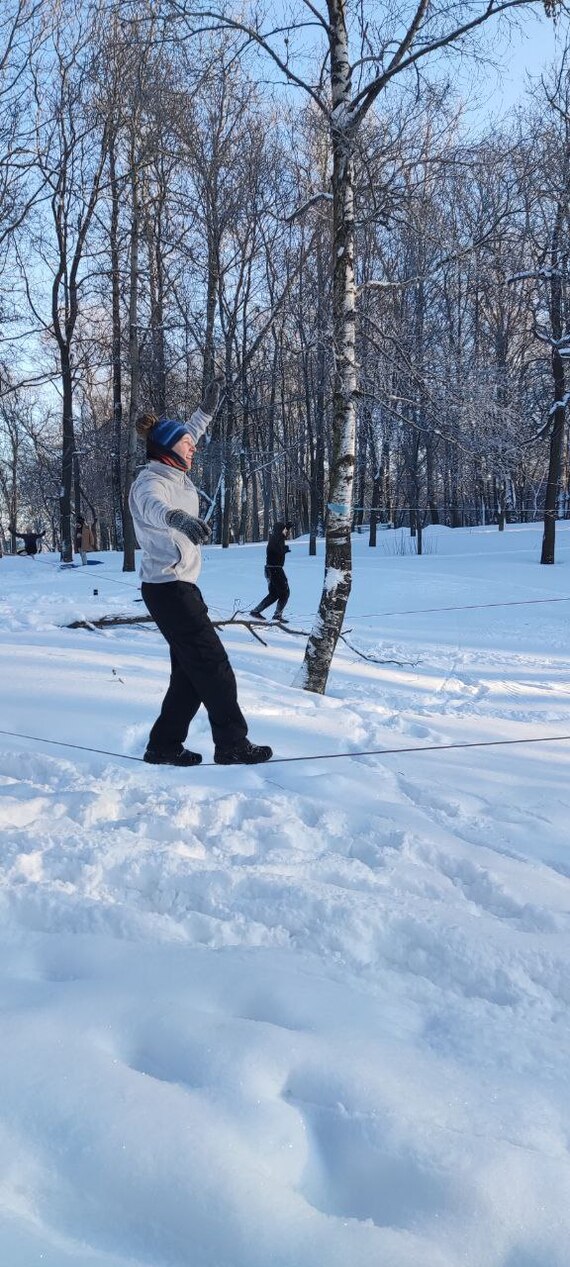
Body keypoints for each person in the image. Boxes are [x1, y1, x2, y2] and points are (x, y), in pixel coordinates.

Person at [128, 379, 273, 768]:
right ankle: (232, 744)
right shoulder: (151, 481)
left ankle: (163, 746)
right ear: (166, 448)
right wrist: (176, 517)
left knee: (190, 675)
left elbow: (189, 432)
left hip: (176, 587)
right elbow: (151, 507)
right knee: (214, 668)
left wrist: (205, 412)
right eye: (186, 444)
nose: (193, 447)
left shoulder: (173, 468)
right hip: (169, 587)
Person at [250, 521, 292, 622]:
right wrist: (284, 550)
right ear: (279, 530)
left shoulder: (276, 537)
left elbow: (282, 536)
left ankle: (256, 611)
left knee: (274, 594)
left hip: (272, 569)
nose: (285, 532)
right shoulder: (275, 539)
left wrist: (287, 527)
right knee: (285, 592)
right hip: (275, 570)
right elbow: (277, 550)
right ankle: (277, 615)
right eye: (283, 530)